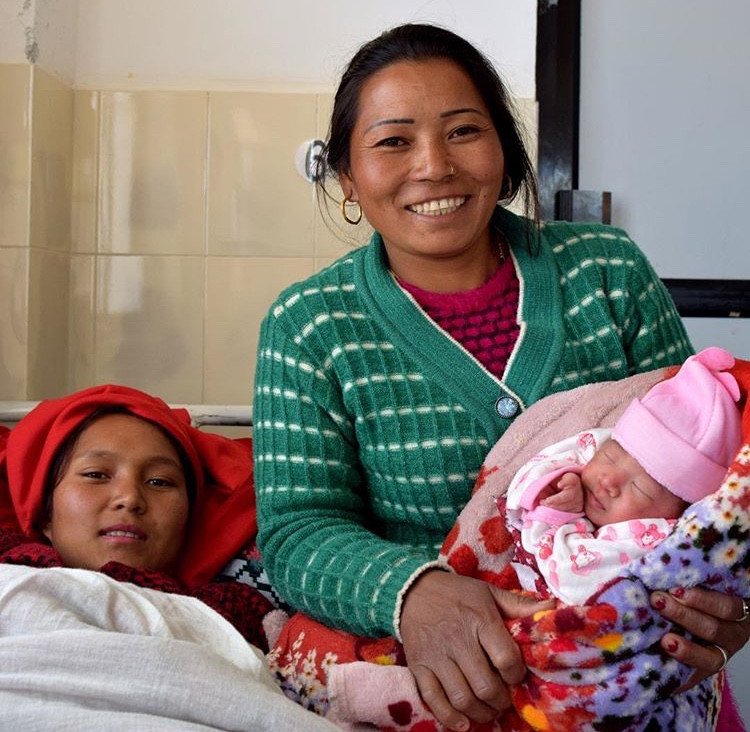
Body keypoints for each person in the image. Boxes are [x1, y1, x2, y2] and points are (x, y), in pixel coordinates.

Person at [252, 22, 750, 732]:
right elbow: (299, 533)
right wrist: (415, 593)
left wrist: (733, 605)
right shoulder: (308, 324)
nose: (433, 165)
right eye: (393, 141)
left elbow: (724, 469)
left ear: (507, 154)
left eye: (463, 131)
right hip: (442, 682)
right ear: (346, 177)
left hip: (636, 672)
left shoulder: (605, 271)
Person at [0, 384, 272, 649]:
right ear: (45, 514)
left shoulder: (230, 620)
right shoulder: (11, 579)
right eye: (96, 475)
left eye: (159, 482)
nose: (130, 498)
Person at [503, 346, 743, 605]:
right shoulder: (600, 444)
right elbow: (529, 481)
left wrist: (560, 517)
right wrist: (561, 482)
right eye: (610, 458)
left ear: (680, 512)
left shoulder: (655, 541)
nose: (608, 481)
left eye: (640, 488)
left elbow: (571, 579)